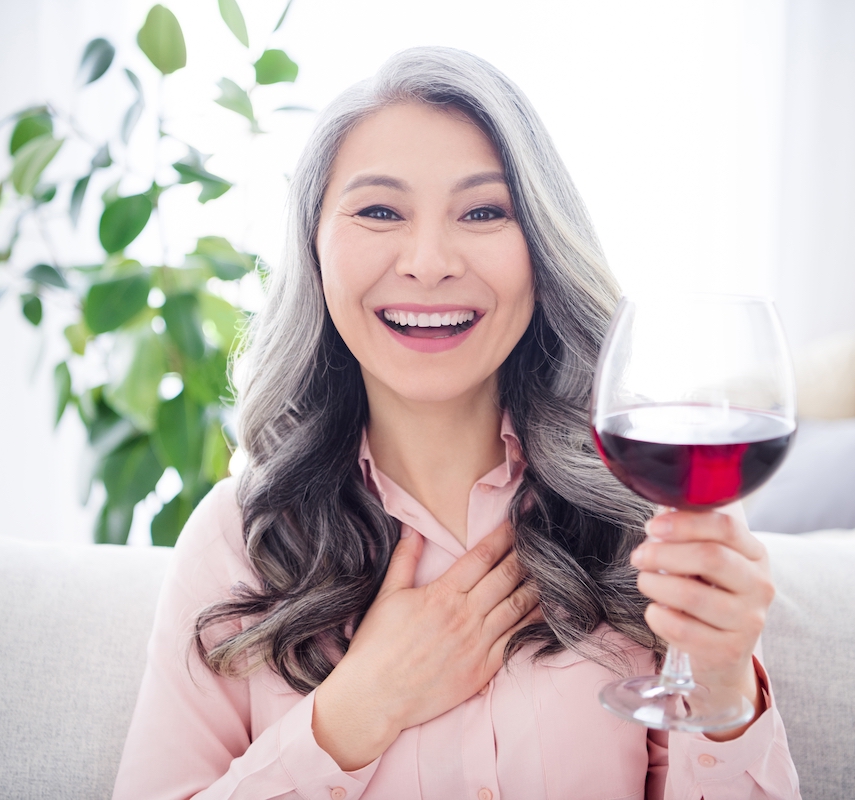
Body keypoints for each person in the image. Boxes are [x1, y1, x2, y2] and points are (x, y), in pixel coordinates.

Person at [113, 47, 801, 800]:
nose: (430, 261)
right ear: (313, 247)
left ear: (539, 247)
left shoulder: (644, 527)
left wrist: (724, 687)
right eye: (379, 211)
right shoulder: (236, 543)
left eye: (482, 211)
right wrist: (351, 715)